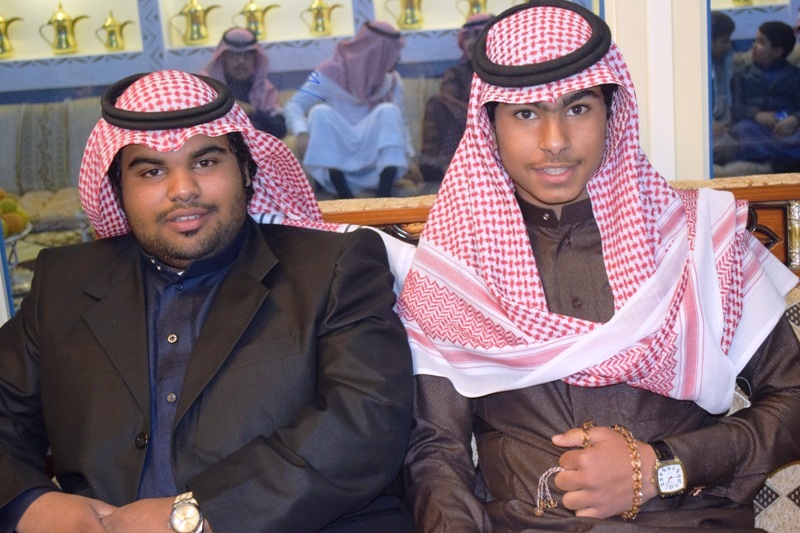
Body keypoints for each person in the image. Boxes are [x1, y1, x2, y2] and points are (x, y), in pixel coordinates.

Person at [400, 2, 800, 531]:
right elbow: (436, 454)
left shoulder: (699, 243)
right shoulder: (454, 269)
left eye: (578, 108)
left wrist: (664, 467)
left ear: (612, 114)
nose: (555, 141)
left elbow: (793, 399)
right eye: (526, 114)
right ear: (489, 125)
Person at [0, 70, 415, 532]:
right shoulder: (64, 283)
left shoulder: (334, 268)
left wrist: (196, 516)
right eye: (152, 171)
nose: (183, 190)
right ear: (118, 189)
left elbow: (365, 423)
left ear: (247, 171)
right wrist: (28, 503)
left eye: (205, 162)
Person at [284, 21, 414, 199]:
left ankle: (384, 195)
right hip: (338, 162)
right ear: (377, 53)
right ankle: (344, 196)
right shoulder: (327, 73)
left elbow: (401, 123)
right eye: (393, 52)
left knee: (389, 111)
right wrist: (301, 132)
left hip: (374, 164)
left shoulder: (392, 81)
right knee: (320, 112)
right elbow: (294, 105)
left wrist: (410, 157)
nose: (397, 58)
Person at [417, 13, 492, 183]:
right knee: (437, 104)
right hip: (464, 124)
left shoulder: (506, 70)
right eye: (468, 37)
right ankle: (433, 167)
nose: (471, 42)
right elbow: (448, 103)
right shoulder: (456, 73)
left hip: (498, 123)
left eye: (477, 35)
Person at [724, 21, 800, 171]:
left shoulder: (795, 75)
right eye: (755, 41)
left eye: (761, 42)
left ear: (777, 52)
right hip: (756, 126)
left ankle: (777, 157)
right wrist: (756, 114)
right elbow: (736, 107)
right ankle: (787, 158)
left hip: (787, 128)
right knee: (742, 130)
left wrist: (795, 119)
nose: (753, 46)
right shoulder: (742, 74)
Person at [201, 27, 287, 139]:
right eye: (234, 55)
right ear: (223, 58)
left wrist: (252, 111)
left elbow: (280, 130)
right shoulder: (206, 87)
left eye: (247, 55)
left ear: (255, 59)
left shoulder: (264, 89)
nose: (241, 61)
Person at [710, 11, 737, 167]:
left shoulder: (726, 61)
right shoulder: (692, 66)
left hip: (724, 126)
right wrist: (708, 122)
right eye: (724, 41)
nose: (728, 46)